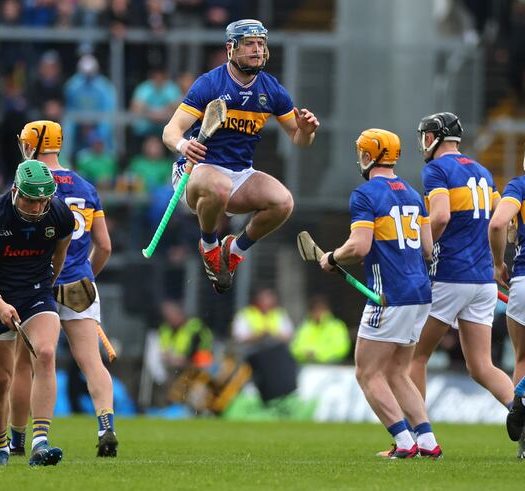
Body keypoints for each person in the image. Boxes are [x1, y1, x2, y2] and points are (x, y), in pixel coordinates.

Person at [162, 19, 319, 293]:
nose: (257, 50)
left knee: (283, 202)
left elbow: (300, 139)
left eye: (261, 44)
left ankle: (233, 250)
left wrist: (306, 131)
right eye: (249, 44)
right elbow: (170, 131)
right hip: (196, 174)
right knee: (219, 186)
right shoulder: (210, 84)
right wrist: (183, 145)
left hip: (240, 173)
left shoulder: (271, 89)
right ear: (231, 49)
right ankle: (209, 245)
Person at [320, 128, 441, 459]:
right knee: (397, 372)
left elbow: (360, 246)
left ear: (368, 156)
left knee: (367, 372)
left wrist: (331, 257)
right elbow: (430, 250)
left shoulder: (365, 194)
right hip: (420, 293)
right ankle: (428, 443)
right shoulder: (415, 195)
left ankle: (404, 442)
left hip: (389, 295)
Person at [8, 120, 117, 458]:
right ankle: (106, 426)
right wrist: (88, 275)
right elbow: (105, 246)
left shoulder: (29, 182)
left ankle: (21, 438)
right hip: (80, 282)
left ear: (30, 146)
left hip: (38, 285)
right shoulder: (85, 185)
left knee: (29, 363)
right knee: (91, 361)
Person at [0, 159, 73, 467]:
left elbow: (59, 255)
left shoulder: (60, 215)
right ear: (15, 191)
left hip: (36, 293)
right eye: (30, 200)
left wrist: (46, 288)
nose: (37, 208)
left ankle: (40, 442)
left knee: (46, 353)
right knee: (0, 379)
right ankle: (0, 446)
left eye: (42, 201)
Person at [408, 112, 516, 412]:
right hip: (483, 282)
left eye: (424, 137)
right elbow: (503, 221)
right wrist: (498, 261)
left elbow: (440, 216)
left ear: (432, 137)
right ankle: (521, 411)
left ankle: (420, 438)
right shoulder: (482, 171)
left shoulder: (437, 170)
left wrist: (420, 248)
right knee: (482, 366)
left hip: (450, 276)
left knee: (414, 356)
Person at [488, 150, 525, 452]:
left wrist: (499, 263)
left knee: (522, 359)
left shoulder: (520, 185)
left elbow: (498, 222)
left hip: (523, 281)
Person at [290, 296, 351, 364]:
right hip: (307, 367)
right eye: (315, 310)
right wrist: (305, 353)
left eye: (321, 309)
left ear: (327, 310)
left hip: (331, 367)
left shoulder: (336, 326)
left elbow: (342, 348)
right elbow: (295, 348)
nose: (318, 313)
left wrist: (318, 354)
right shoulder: (304, 327)